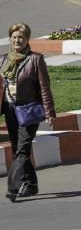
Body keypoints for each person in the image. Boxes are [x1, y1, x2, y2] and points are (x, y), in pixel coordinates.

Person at [1, 23, 55, 203]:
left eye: (21, 37)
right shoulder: (3, 60)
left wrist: (49, 112)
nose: (18, 40)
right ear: (10, 38)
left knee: (22, 150)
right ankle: (31, 184)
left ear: (27, 40)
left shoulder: (35, 59)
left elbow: (44, 88)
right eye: (15, 37)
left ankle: (14, 186)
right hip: (10, 110)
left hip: (29, 110)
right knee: (18, 148)